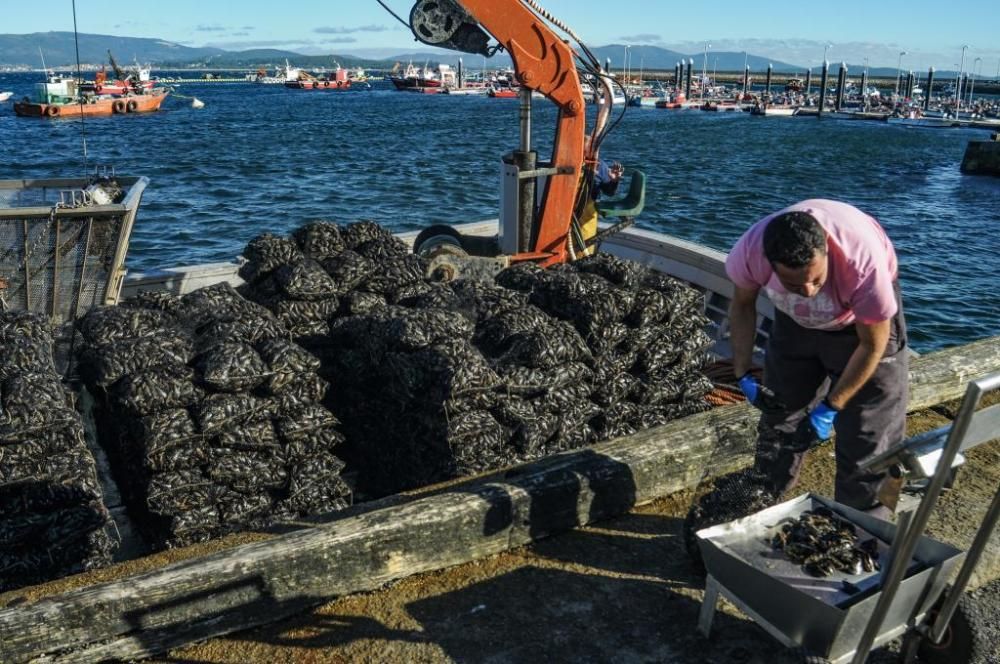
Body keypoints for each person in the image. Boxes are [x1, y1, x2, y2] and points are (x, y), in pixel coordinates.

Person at [725, 199, 909, 518]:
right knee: (779, 414)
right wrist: (742, 372)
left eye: (817, 280)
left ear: (827, 251)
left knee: (869, 431)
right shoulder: (750, 252)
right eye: (794, 283)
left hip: (860, 330)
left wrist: (832, 406)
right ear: (769, 264)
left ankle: (863, 524)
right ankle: (762, 503)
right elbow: (742, 306)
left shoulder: (863, 265)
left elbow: (872, 346)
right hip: (793, 323)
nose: (809, 291)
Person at [578, 155, 623, 255]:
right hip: (565, 213)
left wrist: (614, 181)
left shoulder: (599, 165)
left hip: (587, 217)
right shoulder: (566, 161)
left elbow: (609, 191)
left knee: (584, 250)